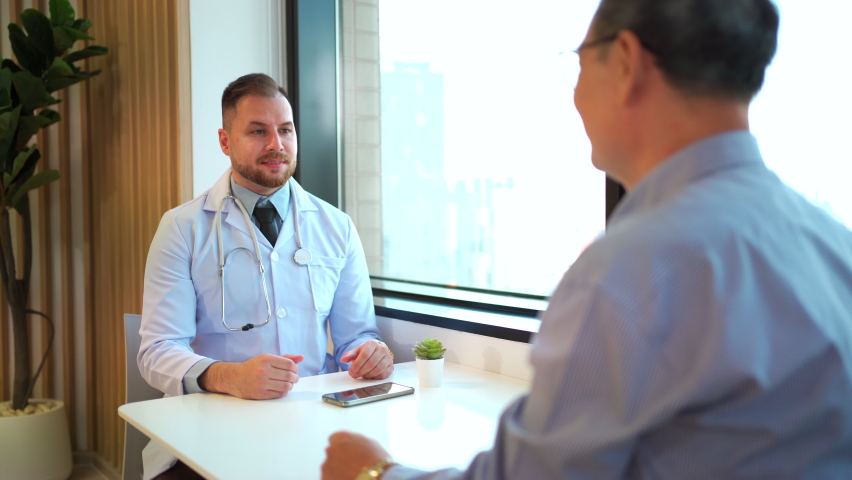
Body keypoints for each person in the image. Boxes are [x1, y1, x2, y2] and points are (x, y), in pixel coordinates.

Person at [322, 0, 852, 478]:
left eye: (578, 63)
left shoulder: (630, 272)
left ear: (625, 62)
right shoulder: (833, 244)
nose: (574, 92)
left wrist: (376, 474)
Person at [139, 73, 394, 480]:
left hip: (313, 425)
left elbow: (356, 337)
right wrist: (230, 377)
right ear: (225, 141)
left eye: (286, 130)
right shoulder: (183, 227)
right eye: (258, 131)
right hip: (210, 429)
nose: (277, 145)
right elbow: (157, 352)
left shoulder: (337, 226)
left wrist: (370, 352)